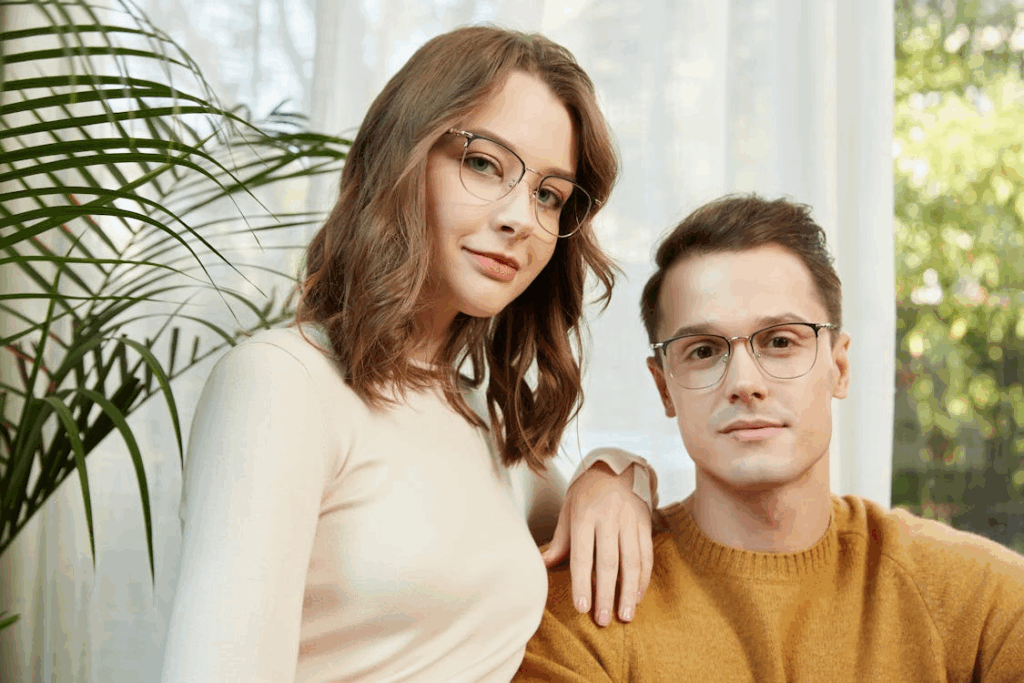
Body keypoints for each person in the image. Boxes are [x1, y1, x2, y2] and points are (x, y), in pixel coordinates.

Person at [160, 26, 662, 683]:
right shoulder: (281, 383)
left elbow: (603, 515)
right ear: (402, 156)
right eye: (484, 162)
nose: (520, 217)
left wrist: (614, 474)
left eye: (549, 194)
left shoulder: (482, 419)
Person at [514, 194, 1024, 682]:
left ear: (839, 366)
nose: (744, 383)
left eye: (781, 341)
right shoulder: (582, 607)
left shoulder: (979, 602)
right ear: (664, 387)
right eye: (704, 350)